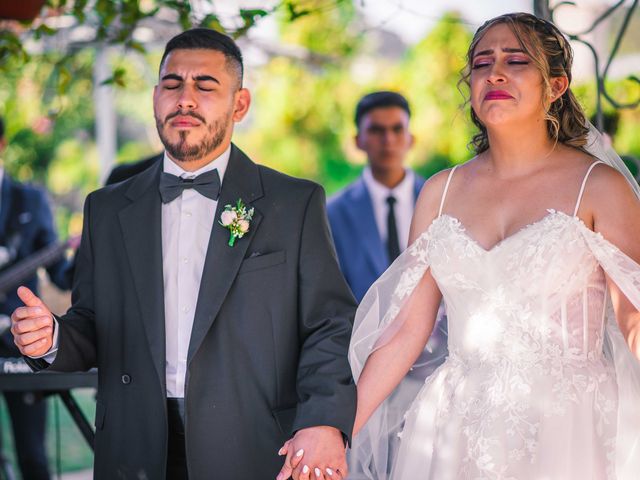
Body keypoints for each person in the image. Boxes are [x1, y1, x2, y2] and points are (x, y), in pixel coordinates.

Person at [10, 28, 357, 480]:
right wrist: (51, 338)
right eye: (172, 84)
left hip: (255, 448)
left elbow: (329, 325)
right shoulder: (106, 208)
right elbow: (93, 324)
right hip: (134, 449)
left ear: (240, 104)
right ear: (155, 97)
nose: (185, 98)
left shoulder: (294, 204)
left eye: (205, 85)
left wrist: (324, 419)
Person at [347, 12, 640, 479]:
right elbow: (404, 330)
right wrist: (338, 432)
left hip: (568, 427)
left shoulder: (598, 186)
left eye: (516, 60)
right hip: (454, 426)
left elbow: (634, 321)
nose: (495, 73)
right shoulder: (439, 192)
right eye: (482, 63)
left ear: (557, 85)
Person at [0, 116, 71, 480]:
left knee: (33, 456)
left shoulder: (29, 199)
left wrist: (87, 261)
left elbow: (61, 272)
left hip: (20, 346)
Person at [327, 91, 424, 302]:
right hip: (361, 332)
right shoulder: (333, 213)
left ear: (411, 138)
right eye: (376, 130)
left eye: (397, 129)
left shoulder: (441, 200)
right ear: (358, 140)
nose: (388, 139)